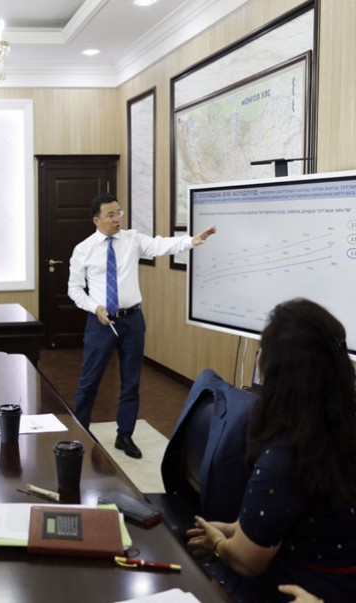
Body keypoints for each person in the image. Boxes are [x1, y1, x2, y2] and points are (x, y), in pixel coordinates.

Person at [187, 298, 356, 602]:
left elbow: (248, 562)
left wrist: (218, 544)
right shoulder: (343, 428)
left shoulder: (287, 454)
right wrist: (234, 530)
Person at [68, 193, 216, 458]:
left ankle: (124, 435)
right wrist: (95, 307)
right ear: (97, 220)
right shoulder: (83, 249)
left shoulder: (132, 239)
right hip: (100, 323)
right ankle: (79, 433)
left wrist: (191, 241)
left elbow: (160, 245)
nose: (117, 219)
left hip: (132, 321)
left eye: (119, 213)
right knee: (89, 381)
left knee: (131, 381)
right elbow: (75, 289)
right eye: (111, 215)